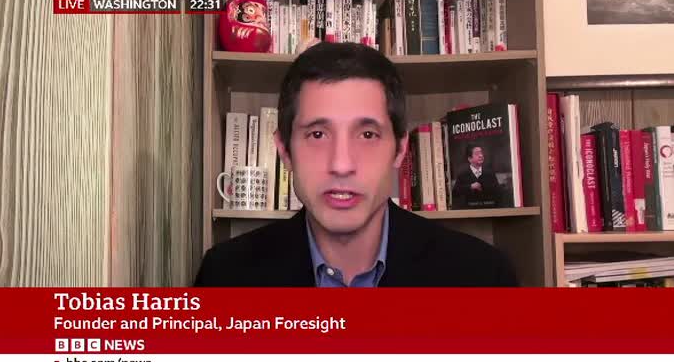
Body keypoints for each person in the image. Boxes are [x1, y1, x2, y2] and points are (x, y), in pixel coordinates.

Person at [194, 42, 518, 287]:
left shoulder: (483, 276)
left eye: (367, 134)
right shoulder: (225, 276)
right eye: (317, 134)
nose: (341, 164)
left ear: (400, 149)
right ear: (284, 151)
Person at [451, 144, 502, 209]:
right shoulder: (462, 174)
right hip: (469, 210)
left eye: (481, 153)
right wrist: (471, 186)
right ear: (470, 159)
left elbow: (498, 192)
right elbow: (455, 193)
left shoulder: (490, 173)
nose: (481, 155)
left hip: (488, 208)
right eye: (477, 154)